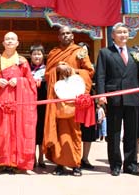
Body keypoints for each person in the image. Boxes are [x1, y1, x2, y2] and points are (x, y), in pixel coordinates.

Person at [95, 22, 139, 177]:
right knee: (114, 133)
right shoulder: (105, 53)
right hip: (114, 97)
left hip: (132, 98)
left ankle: (131, 164)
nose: (123, 35)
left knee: (132, 133)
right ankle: (115, 164)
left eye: (126, 32)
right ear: (113, 35)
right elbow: (100, 76)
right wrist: (101, 94)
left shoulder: (135, 53)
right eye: (120, 32)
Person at [43, 26, 94, 176]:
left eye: (68, 33)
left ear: (72, 35)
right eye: (62, 34)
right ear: (58, 37)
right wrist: (57, 69)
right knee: (59, 131)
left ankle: (75, 164)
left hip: (74, 99)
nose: (65, 36)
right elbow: (47, 75)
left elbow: (89, 72)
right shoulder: (53, 53)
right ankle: (60, 164)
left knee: (75, 131)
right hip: (58, 98)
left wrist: (72, 70)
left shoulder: (80, 51)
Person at [0, 32, 37, 172]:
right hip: (1, 104)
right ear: (3, 43)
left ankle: (17, 163)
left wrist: (19, 81)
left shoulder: (22, 61)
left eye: (13, 39)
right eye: (7, 39)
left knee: (17, 130)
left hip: (19, 103)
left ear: (18, 43)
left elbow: (31, 83)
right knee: (2, 131)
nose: (10, 41)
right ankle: (2, 162)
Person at [77, 42, 97, 170]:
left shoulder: (92, 68)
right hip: (73, 102)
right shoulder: (70, 66)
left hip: (88, 101)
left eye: (85, 50)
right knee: (76, 131)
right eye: (80, 50)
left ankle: (85, 158)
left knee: (87, 132)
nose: (82, 53)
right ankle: (75, 157)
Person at [29, 44, 47, 168]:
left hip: (43, 103)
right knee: (31, 131)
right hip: (30, 104)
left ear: (43, 56)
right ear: (30, 56)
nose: (37, 56)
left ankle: (41, 157)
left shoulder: (47, 69)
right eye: (34, 54)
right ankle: (32, 157)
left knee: (42, 130)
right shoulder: (26, 70)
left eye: (39, 54)